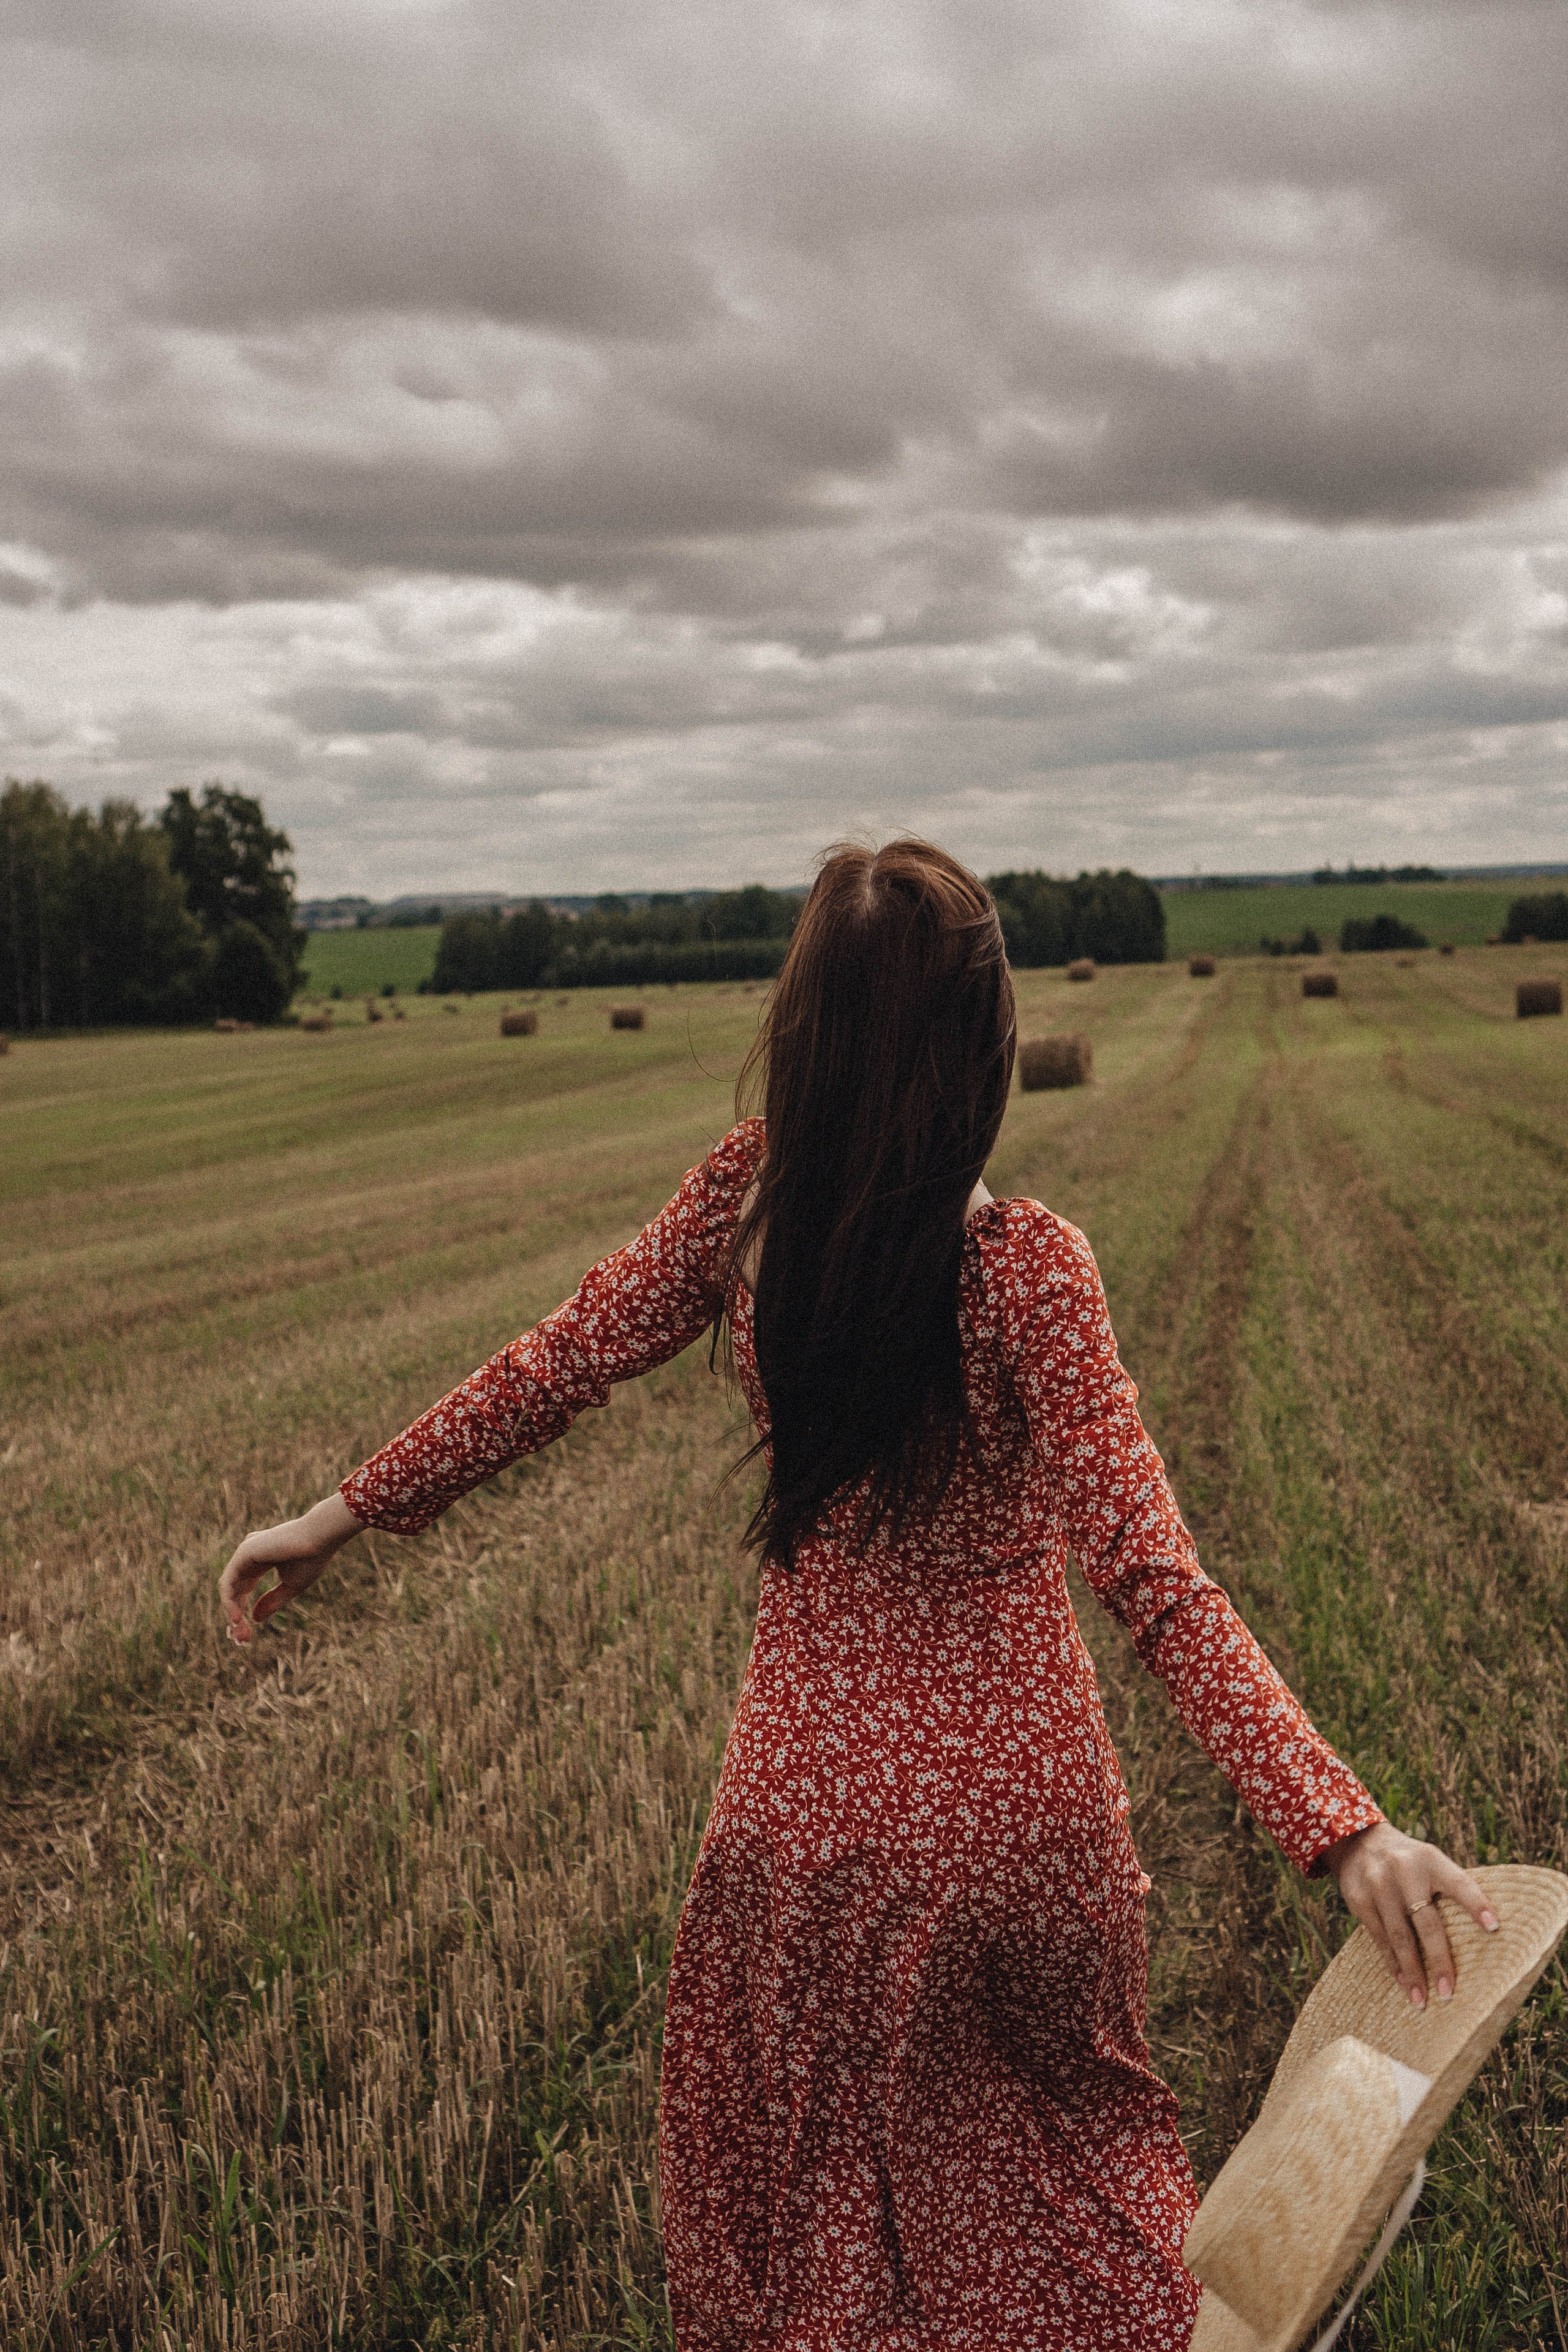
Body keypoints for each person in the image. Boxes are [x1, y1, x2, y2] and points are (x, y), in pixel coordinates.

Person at [219, 839, 1498, 2350]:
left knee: (826, 2229)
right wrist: (1336, 1823)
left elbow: (552, 1363)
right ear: (990, 1040)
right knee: (1069, 2189)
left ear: (804, 1033)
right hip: (1015, 1826)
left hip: (800, 1825)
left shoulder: (743, 1221)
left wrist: (336, 1511)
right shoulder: (1029, 1270)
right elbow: (1154, 1582)